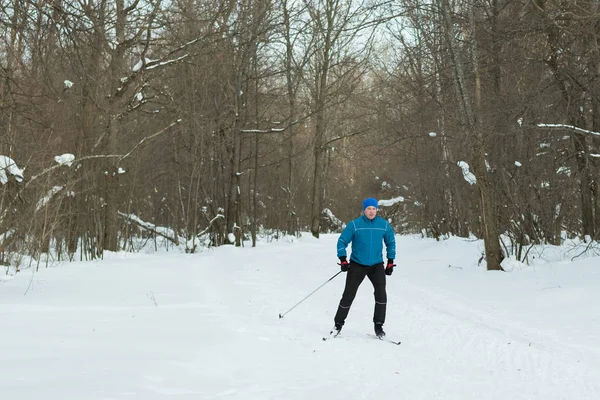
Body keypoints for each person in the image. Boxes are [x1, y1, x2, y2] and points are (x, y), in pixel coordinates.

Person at [332, 197, 396, 338]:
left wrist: (390, 260)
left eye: (374, 208)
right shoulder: (355, 225)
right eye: (368, 209)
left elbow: (391, 242)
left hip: (376, 265)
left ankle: (379, 326)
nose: (371, 211)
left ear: (377, 210)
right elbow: (342, 241)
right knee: (348, 295)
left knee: (381, 294)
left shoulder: (384, 225)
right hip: (357, 264)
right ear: (364, 210)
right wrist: (343, 259)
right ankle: (337, 325)